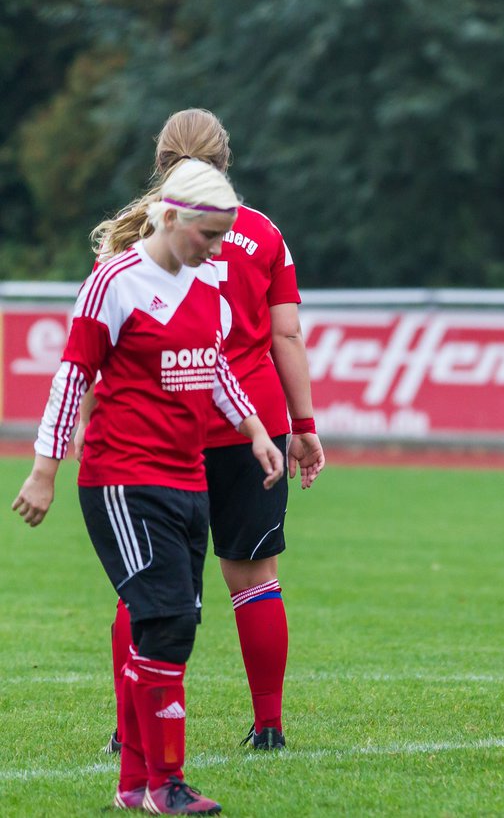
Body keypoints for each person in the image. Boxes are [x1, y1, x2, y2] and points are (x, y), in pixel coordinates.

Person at [11, 159, 284, 813]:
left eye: (222, 237)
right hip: (123, 479)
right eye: (207, 236)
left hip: (187, 476)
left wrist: (254, 429)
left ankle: (135, 787)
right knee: (165, 624)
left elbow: (213, 366)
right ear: (171, 218)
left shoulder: (208, 284)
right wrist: (45, 470)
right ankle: (166, 784)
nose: (216, 249)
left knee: (170, 626)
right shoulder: (116, 282)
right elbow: (72, 376)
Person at [88, 108, 325, 753]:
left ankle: (128, 726)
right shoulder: (262, 232)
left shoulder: (140, 233)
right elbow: (286, 335)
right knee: (255, 577)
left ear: (161, 163)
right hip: (255, 424)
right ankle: (269, 725)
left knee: (147, 585)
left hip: (167, 431)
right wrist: (302, 425)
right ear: (227, 159)